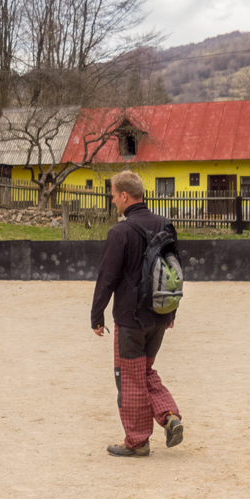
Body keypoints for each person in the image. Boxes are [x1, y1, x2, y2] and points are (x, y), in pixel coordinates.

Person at [90, 170, 183, 457]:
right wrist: (172, 312)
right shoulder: (164, 225)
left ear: (125, 195)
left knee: (129, 378)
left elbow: (107, 276)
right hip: (160, 314)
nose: (113, 200)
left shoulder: (121, 232)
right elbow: (174, 269)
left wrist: (97, 315)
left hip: (131, 319)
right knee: (144, 371)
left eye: (114, 195)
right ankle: (169, 416)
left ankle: (138, 442)